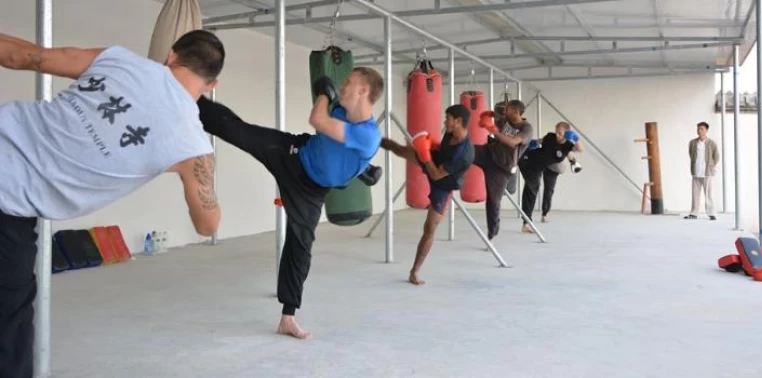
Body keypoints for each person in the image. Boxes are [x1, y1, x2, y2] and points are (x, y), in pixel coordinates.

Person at [0, 30, 226, 378]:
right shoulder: (192, 148)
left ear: (171, 55)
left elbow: (22, 56)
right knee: (9, 334)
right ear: (212, 85)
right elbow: (208, 225)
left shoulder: (119, 60)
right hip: (10, 208)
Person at [195, 68, 384, 340]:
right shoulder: (342, 113)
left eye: (348, 82)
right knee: (240, 131)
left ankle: (288, 317)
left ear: (363, 90)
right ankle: (190, 97)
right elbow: (330, 140)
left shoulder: (367, 134)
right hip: (293, 154)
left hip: (311, 190)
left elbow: (317, 118)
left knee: (300, 246)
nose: (342, 86)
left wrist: (323, 93)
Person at [380, 105, 475, 285]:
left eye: (448, 118)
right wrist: (431, 145)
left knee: (429, 229)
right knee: (400, 149)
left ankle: (414, 272)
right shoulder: (450, 134)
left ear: (458, 121)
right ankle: (372, 139)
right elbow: (442, 151)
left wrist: (425, 155)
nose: (445, 121)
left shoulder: (465, 154)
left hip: (443, 186)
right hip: (434, 160)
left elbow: (437, 175)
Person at [472, 100, 533, 241]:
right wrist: (489, 114)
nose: (505, 112)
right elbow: (497, 116)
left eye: (509, 110)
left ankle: (492, 232)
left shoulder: (526, 128)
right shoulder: (504, 119)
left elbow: (512, 142)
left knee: (493, 201)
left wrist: (492, 129)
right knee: (466, 151)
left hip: (501, 168)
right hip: (488, 153)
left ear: (517, 112)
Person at [519, 122, 583, 229]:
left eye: (560, 133)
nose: (557, 135)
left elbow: (580, 149)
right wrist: (530, 143)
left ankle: (528, 222)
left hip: (538, 168)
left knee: (534, 190)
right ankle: (526, 223)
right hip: (529, 160)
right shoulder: (550, 136)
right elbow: (539, 141)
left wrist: (576, 139)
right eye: (556, 131)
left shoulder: (567, 146)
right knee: (531, 189)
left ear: (567, 134)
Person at [684, 121, 719, 220]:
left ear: (706, 130)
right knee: (695, 194)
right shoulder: (692, 143)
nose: (699, 131)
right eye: (698, 129)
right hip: (696, 172)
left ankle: (711, 213)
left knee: (709, 194)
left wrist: (711, 166)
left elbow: (716, 156)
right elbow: (691, 154)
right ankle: (694, 213)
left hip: (707, 173)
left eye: (701, 129)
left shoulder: (712, 143)